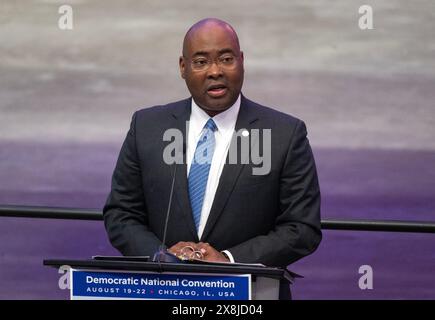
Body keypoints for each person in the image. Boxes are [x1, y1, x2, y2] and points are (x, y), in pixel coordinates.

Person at [103, 18, 321, 299]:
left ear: (242, 61)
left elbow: (302, 228)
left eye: (226, 59)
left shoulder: (284, 134)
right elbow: (121, 214)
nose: (215, 71)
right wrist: (160, 256)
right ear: (183, 67)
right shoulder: (147, 127)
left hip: (250, 294)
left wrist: (229, 260)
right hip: (163, 291)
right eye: (201, 62)